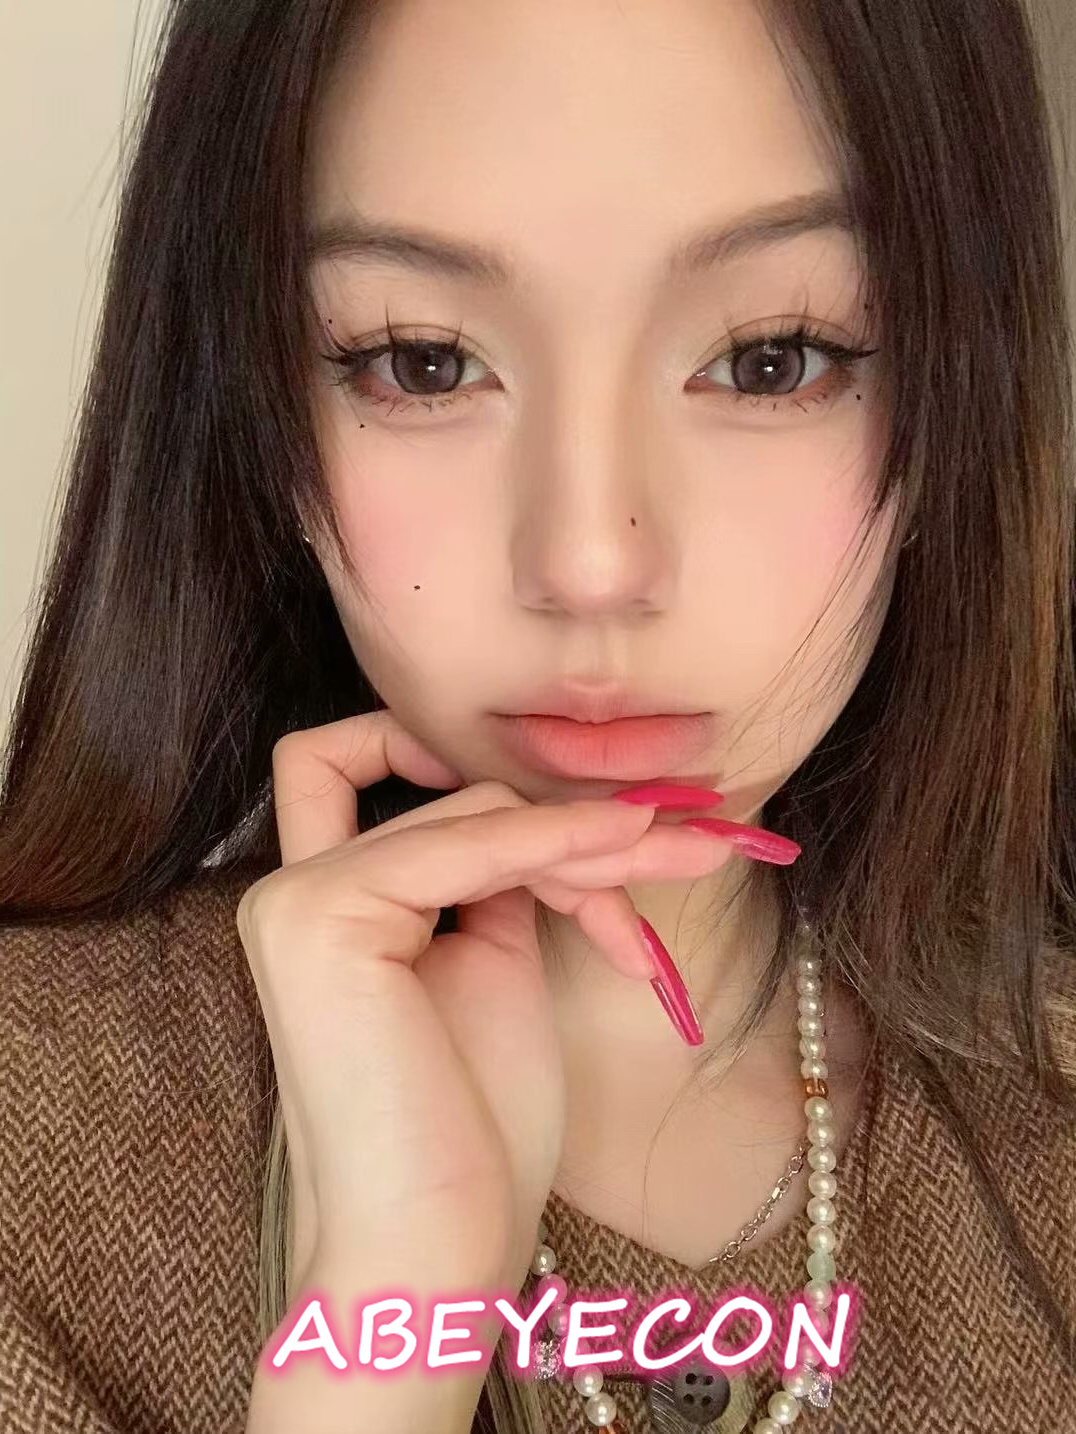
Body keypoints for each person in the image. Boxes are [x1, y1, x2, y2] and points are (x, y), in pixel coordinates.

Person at [1, 0, 1074, 1430]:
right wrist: (384, 1327)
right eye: (423, 361)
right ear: (264, 423)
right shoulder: (34, 1137)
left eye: (773, 357)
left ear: (959, 408)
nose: (589, 562)